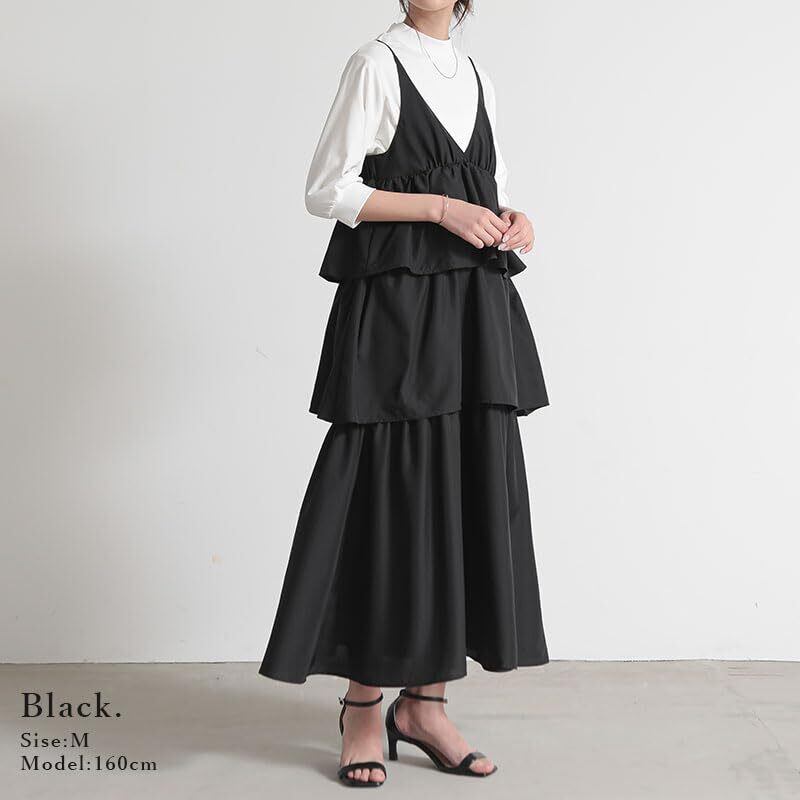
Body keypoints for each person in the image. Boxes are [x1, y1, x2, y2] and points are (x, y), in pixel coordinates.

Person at [259, 1, 549, 786]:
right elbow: (328, 189)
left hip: (472, 309)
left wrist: (512, 219)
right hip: (395, 305)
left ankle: (425, 706)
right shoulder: (375, 65)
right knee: (389, 489)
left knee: (458, 484)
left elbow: (488, 185)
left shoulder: (477, 74)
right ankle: (363, 704)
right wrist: (438, 209)